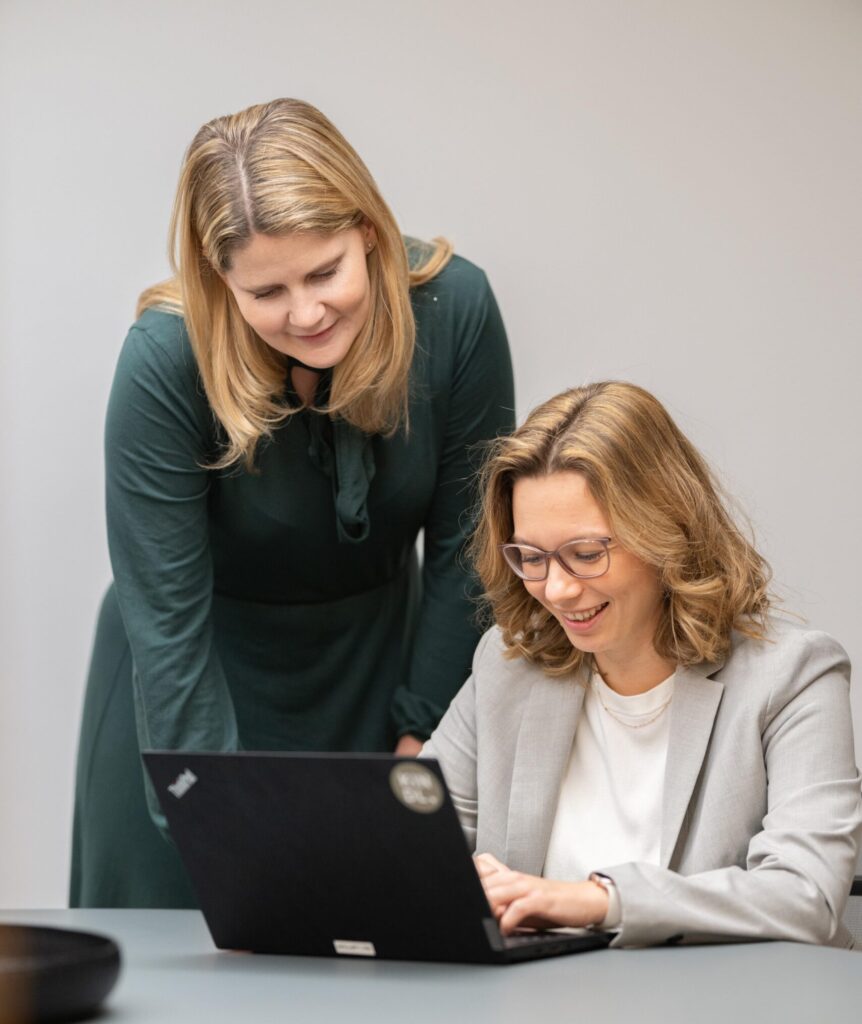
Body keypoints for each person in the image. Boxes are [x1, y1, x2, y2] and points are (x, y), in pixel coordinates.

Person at [70, 98, 514, 908]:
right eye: (266, 291)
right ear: (217, 280)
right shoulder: (165, 360)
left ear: (369, 233)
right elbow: (167, 618)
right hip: (191, 689)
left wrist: (422, 737)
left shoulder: (457, 313)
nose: (305, 314)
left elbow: (468, 552)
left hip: (385, 676)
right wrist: (220, 819)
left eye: (325, 272)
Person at [423, 381, 862, 948]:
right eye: (531, 557)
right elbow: (409, 842)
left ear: (667, 532)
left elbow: (808, 897)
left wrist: (594, 900)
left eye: (586, 554)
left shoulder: (794, 676)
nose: (555, 589)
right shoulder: (507, 666)